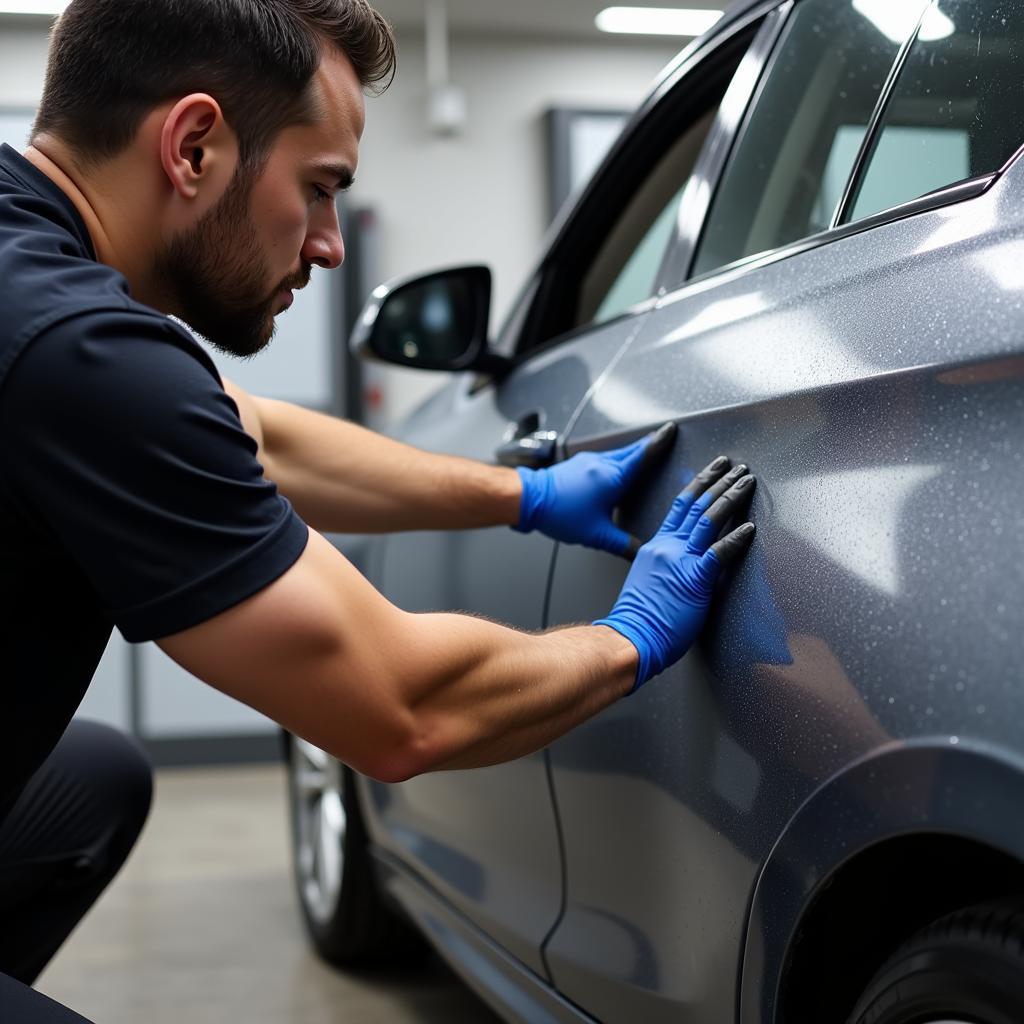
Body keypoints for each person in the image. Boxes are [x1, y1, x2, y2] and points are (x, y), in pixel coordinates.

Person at [0, 1, 756, 1019]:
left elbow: (259, 435)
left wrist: (523, 495)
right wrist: (632, 636)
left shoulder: (29, 266)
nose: (327, 247)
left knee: (93, 778)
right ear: (193, 146)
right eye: (319, 190)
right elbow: (404, 710)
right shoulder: (78, 349)